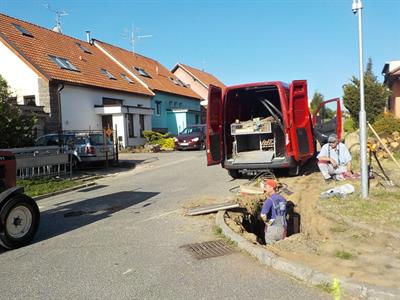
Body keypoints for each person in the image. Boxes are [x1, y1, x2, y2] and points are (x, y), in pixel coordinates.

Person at [260, 179, 287, 245]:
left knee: (271, 249)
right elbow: (282, 212)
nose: (265, 188)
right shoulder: (282, 199)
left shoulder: (269, 200)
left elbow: (263, 215)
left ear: (271, 188)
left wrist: (267, 223)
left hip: (272, 229)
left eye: (266, 186)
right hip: (282, 228)